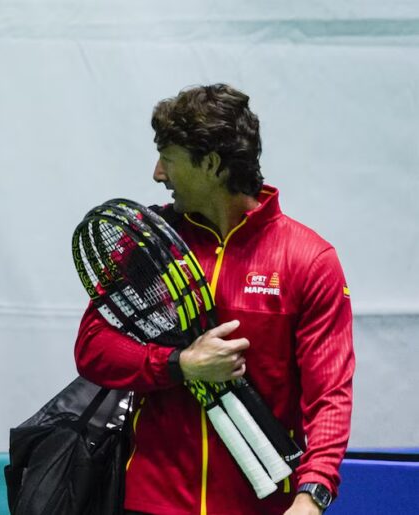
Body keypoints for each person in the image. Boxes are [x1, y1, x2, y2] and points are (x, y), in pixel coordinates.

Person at [74, 84, 354, 515]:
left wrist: (313, 491)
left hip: (264, 505)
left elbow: (329, 393)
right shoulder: (146, 245)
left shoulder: (309, 260)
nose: (158, 174)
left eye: (168, 158)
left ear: (211, 164)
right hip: (153, 502)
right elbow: (93, 349)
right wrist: (180, 364)